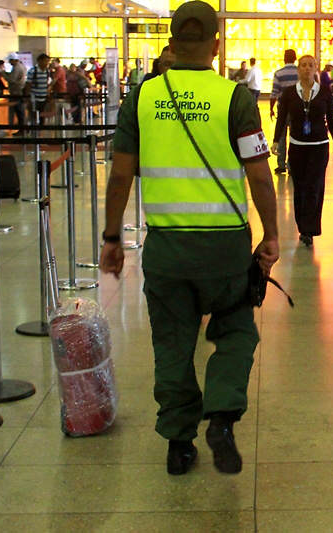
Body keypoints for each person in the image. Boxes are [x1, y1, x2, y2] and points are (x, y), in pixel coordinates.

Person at [99, 0, 279, 477]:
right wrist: (272, 235)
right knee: (237, 331)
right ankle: (221, 415)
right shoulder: (235, 98)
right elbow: (260, 176)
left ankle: (179, 445)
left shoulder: (142, 97)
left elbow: (121, 177)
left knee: (174, 344)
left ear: (172, 43)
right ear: (217, 46)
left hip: (167, 251)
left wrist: (112, 237)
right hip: (224, 249)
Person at [272, 54, 333, 247]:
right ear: (298, 69)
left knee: (315, 187)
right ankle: (302, 226)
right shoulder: (289, 93)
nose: (307, 69)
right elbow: (282, 118)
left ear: (316, 68)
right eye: (303, 65)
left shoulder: (324, 93)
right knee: (300, 189)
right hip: (297, 147)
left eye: (310, 65)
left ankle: (309, 230)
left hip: (319, 147)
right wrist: (275, 140)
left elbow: (331, 119)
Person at [269, 49, 298, 175]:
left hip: (282, 109)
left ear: (284, 58)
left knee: (281, 136)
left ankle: (281, 165)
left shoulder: (278, 74)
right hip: (297, 110)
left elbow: (274, 93)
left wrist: (271, 108)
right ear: (295, 58)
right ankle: (292, 166)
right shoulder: (299, 72)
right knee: (294, 137)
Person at [2, 53, 27, 132]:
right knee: (20, 112)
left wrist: (2, 73)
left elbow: (12, 80)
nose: (9, 63)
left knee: (19, 112)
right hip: (19, 91)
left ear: (13, 60)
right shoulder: (21, 66)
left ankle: (22, 130)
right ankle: (22, 129)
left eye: (10, 61)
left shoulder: (17, 68)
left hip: (17, 92)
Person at [25, 53, 51, 121]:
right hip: (34, 98)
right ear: (39, 61)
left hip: (43, 98)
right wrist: (28, 98)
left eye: (48, 61)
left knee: (42, 116)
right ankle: (34, 130)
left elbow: (47, 83)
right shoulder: (32, 71)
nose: (47, 63)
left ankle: (40, 130)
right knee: (34, 115)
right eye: (45, 61)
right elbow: (28, 84)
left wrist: (48, 94)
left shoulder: (47, 71)